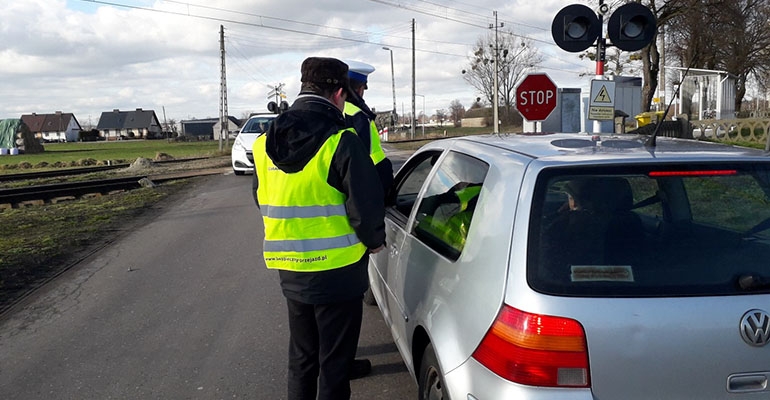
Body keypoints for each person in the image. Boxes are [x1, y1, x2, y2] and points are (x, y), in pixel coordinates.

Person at [252, 57, 386, 400]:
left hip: (291, 268)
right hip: (338, 271)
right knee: (335, 363)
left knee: (302, 357)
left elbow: (261, 198)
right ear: (339, 93)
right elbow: (364, 205)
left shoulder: (265, 142)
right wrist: (374, 242)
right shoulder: (341, 140)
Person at [343, 60, 394, 196]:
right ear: (359, 88)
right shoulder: (357, 115)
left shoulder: (329, 111)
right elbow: (369, 158)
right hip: (362, 191)